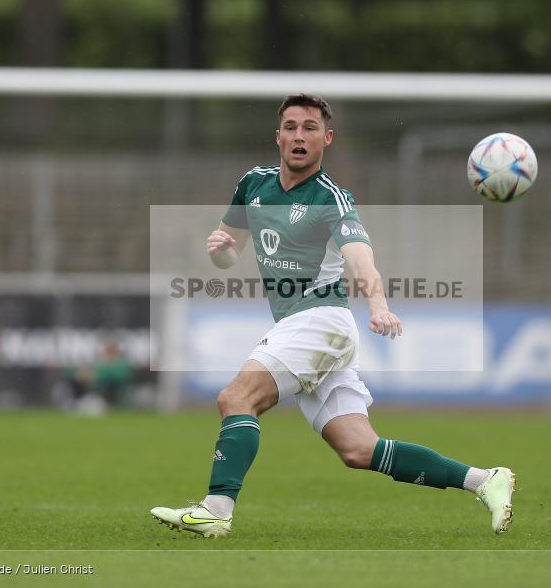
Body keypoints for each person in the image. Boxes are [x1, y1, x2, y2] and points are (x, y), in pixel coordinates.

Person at [150, 94, 515, 537]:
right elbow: (230, 253)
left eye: (308, 127)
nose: (298, 135)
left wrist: (378, 306)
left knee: (237, 398)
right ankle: (486, 480)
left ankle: (216, 509)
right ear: (278, 135)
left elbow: (361, 259)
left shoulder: (333, 199)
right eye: (290, 126)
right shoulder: (252, 184)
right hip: (302, 326)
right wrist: (222, 252)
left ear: (327, 138)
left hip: (321, 320)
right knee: (359, 449)